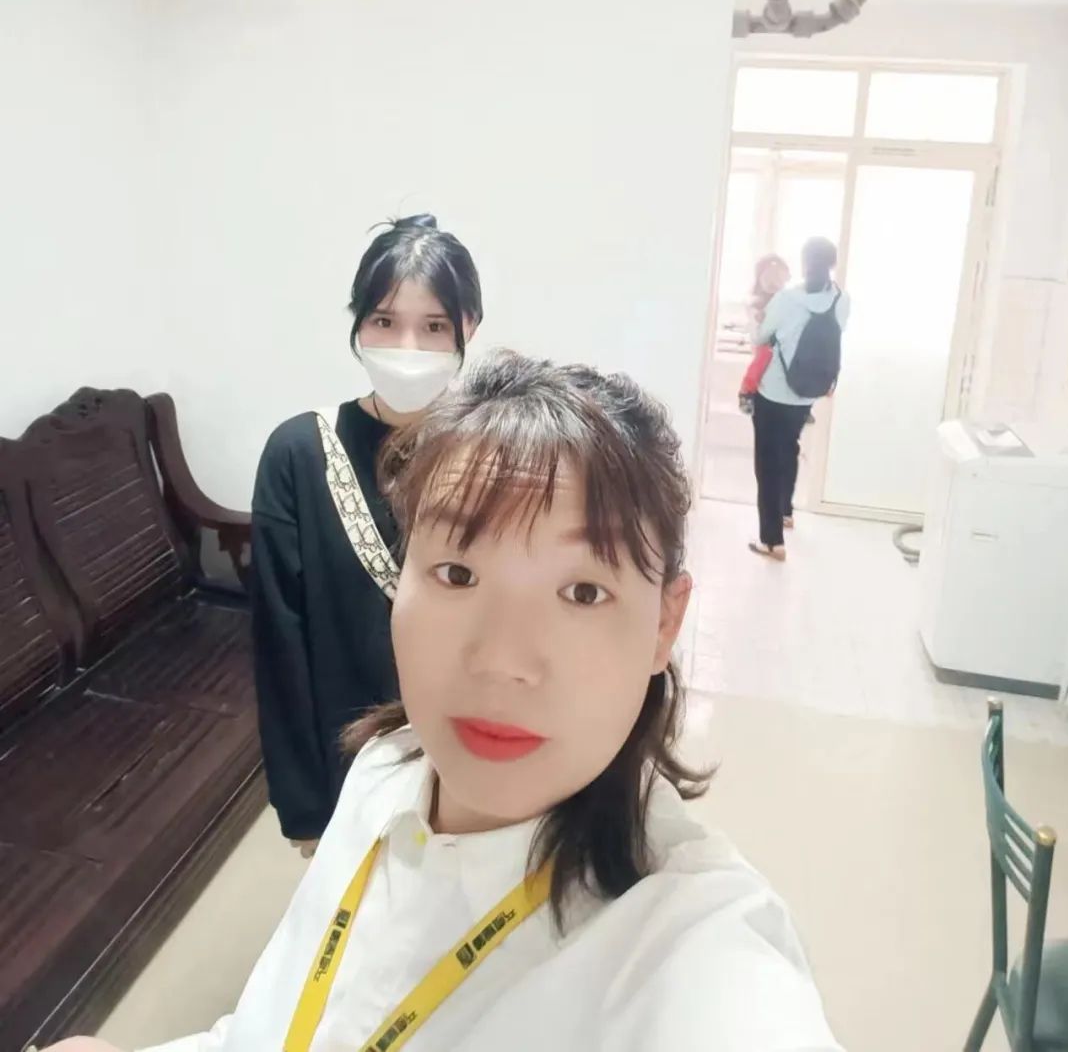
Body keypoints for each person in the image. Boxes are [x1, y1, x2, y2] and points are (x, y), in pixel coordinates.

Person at [51, 352, 842, 1052]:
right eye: (458, 574)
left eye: (582, 590)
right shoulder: (386, 770)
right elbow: (279, 1025)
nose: (500, 659)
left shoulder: (688, 937)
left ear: (664, 622)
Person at [251, 213, 483, 854]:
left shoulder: (493, 454)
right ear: (357, 324)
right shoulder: (301, 452)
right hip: (348, 771)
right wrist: (304, 810)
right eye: (384, 321)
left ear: (468, 327)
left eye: (433, 326)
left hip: (469, 766)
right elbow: (280, 644)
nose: (407, 346)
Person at [749, 236, 850, 561]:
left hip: (773, 391)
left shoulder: (786, 299)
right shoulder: (841, 300)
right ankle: (786, 512)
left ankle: (772, 541)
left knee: (767, 462)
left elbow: (761, 337)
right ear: (832, 264)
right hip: (807, 392)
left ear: (804, 263)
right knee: (789, 447)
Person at [738, 253, 790, 413]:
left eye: (777, 278)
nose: (773, 283)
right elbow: (758, 332)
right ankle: (746, 391)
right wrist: (760, 316)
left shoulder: (787, 300)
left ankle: (802, 402)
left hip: (782, 342)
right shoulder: (756, 301)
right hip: (765, 344)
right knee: (764, 356)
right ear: (759, 279)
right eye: (768, 278)